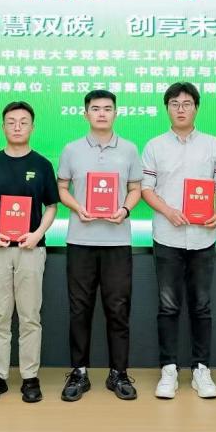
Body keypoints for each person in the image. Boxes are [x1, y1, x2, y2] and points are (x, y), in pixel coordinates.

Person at [140, 82, 216, 400]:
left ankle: (200, 370)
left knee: (201, 306)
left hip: (204, 237)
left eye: (187, 103)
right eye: (175, 103)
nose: (181, 109)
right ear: (167, 108)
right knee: (168, 306)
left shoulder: (213, 144)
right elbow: (146, 188)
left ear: (196, 107)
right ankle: (168, 369)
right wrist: (168, 211)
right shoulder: (154, 146)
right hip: (167, 236)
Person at [56, 89, 143, 402]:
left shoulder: (130, 149)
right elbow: (62, 187)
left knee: (118, 308)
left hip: (117, 241)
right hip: (80, 240)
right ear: (86, 114)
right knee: (79, 308)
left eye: (108, 108)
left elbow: (136, 188)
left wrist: (125, 209)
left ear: (116, 113)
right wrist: (78, 207)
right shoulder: (71, 149)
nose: (102, 113)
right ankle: (79, 372)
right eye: (95, 108)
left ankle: (118, 372)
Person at [0, 101, 60, 404]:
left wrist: (37, 234)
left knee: (30, 316)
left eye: (23, 122)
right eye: (11, 122)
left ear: (32, 127)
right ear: (3, 127)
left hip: (30, 250)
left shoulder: (42, 164)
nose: (17, 127)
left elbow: (52, 206)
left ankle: (29, 376)